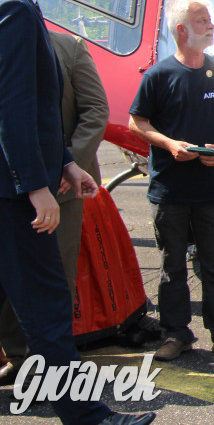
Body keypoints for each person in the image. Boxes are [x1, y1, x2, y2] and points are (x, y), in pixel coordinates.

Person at [0, 0, 153, 424]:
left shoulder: (20, 4)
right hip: (14, 194)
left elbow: (38, 107)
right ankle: (87, 418)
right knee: (47, 306)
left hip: (25, 180)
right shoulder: (14, 8)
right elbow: (13, 109)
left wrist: (66, 162)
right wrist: (36, 187)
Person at [129, 0, 214, 363]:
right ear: (182, 30)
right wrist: (169, 144)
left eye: (210, 19)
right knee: (173, 266)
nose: (211, 25)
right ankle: (176, 334)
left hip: (211, 189)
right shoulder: (158, 75)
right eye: (202, 20)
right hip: (170, 190)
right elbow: (138, 122)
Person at [0, 30, 110, 382]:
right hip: (9, 186)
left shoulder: (68, 47)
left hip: (59, 188)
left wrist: (69, 165)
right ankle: (19, 358)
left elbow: (95, 110)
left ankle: (49, 368)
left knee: (53, 279)